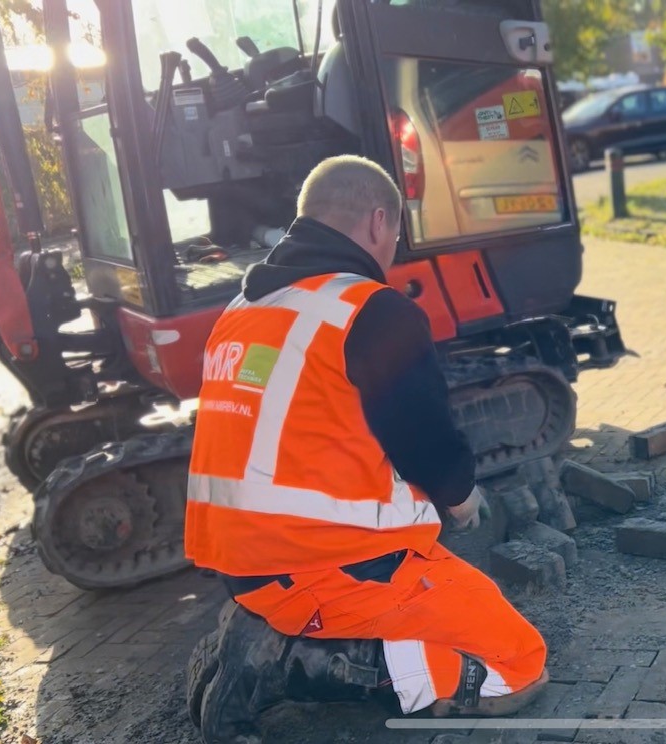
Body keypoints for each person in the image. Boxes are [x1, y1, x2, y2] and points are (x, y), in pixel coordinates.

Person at [185, 155, 548, 740]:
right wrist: (461, 498)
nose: (393, 251)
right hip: (326, 566)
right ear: (379, 221)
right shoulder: (371, 310)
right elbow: (422, 437)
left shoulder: (243, 307)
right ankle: (284, 662)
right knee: (518, 663)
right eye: (396, 235)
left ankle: (270, 629)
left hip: (241, 563)